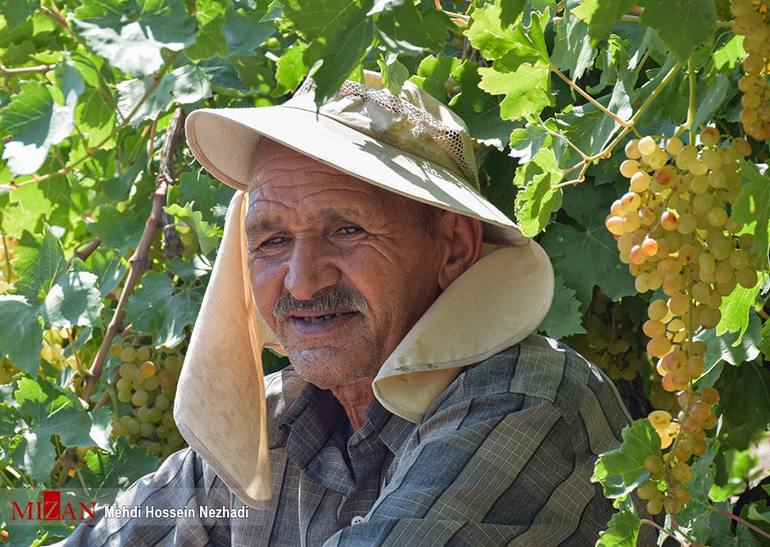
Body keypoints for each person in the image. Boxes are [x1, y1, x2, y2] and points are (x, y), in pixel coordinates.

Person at [59, 72, 643, 546]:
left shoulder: (528, 403)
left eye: (346, 229)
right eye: (271, 240)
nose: (303, 282)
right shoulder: (272, 424)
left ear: (454, 248)